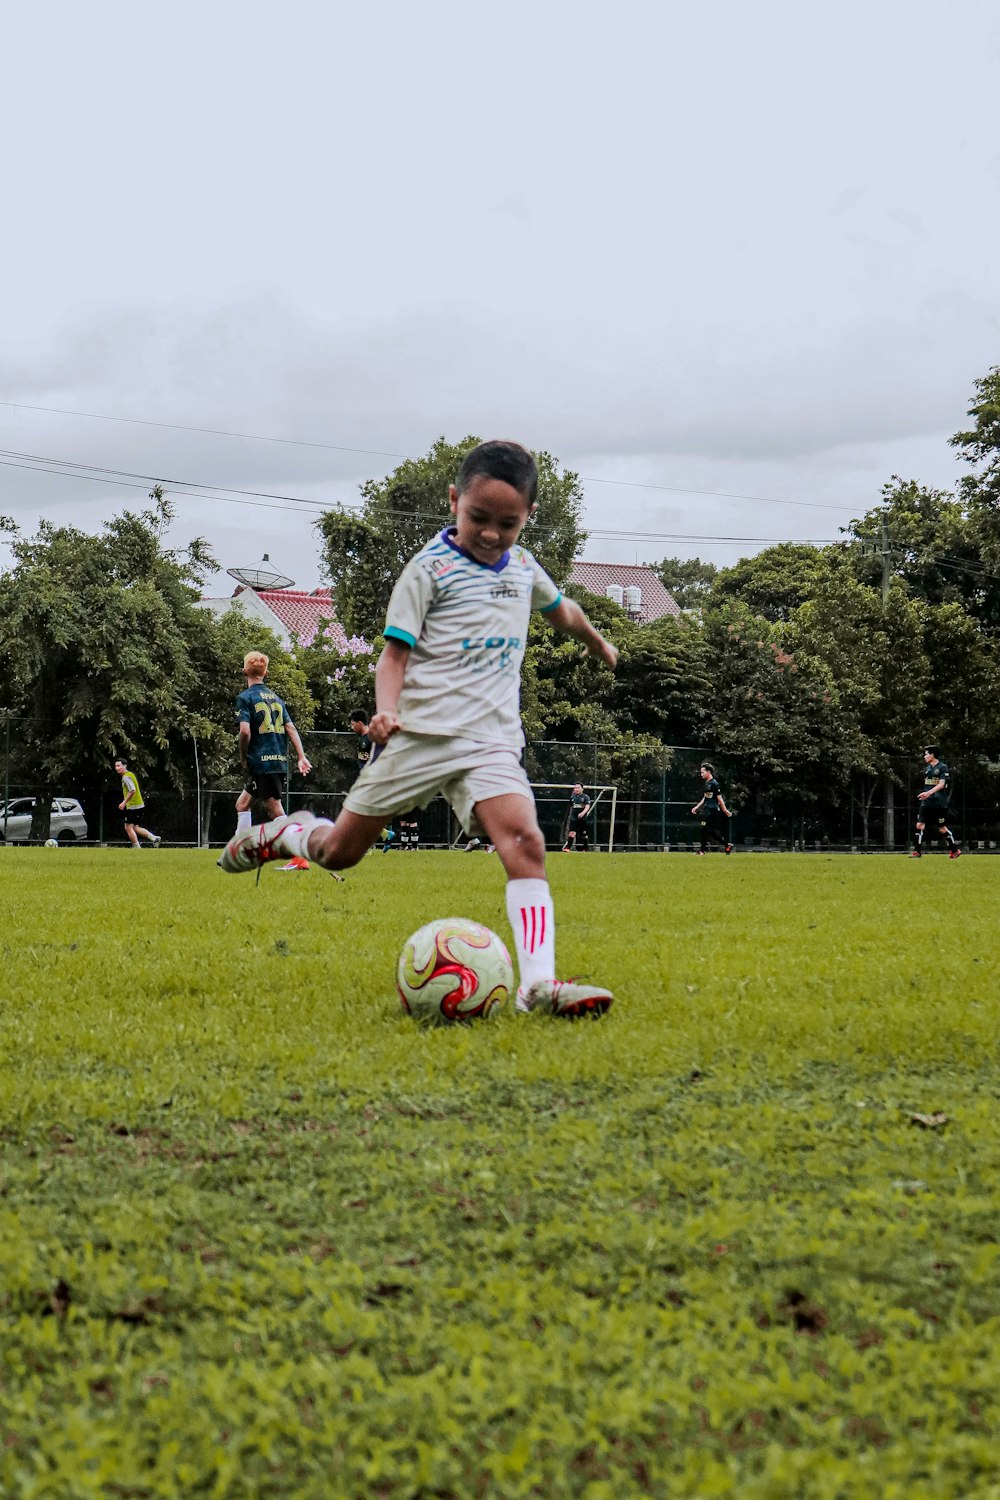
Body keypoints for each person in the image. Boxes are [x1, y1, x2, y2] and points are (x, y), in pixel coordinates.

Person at [219, 439, 618, 1016]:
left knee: (526, 842)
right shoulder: (427, 571)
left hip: (490, 742)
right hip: (417, 738)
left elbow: (563, 608)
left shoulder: (524, 566)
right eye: (477, 517)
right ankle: (286, 836)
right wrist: (386, 710)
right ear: (455, 501)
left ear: (527, 517)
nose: (490, 533)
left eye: (507, 523)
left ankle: (538, 987)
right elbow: (393, 657)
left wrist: (596, 640)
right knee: (339, 852)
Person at [232, 652, 313, 872]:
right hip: (277, 759)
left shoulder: (246, 698)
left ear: (244, 671)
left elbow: (245, 732)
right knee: (242, 804)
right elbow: (290, 728)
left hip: (261, 762)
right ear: (265, 673)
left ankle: (299, 857)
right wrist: (301, 756)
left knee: (275, 809)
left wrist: (243, 756)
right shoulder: (276, 698)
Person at [911, 745, 961, 859]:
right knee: (919, 825)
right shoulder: (928, 769)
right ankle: (917, 852)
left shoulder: (943, 767)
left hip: (939, 804)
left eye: (926, 754)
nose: (925, 756)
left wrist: (928, 793)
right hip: (927, 803)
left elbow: (942, 784)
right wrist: (926, 795)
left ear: (932, 755)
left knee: (942, 828)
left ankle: (955, 850)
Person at [115, 759, 161, 848]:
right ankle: (154, 838)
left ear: (125, 766)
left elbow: (132, 790)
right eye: (116, 766)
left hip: (133, 806)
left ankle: (136, 847)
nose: (117, 768)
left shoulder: (125, 777)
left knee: (128, 827)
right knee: (135, 827)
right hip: (139, 805)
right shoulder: (131, 774)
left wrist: (124, 802)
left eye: (119, 766)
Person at [691, 763, 733, 854]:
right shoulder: (707, 783)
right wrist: (697, 807)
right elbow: (705, 797)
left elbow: (719, 798)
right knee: (708, 830)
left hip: (712, 810)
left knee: (705, 829)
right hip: (707, 809)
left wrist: (725, 810)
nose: (701, 774)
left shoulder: (714, 784)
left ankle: (702, 851)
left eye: (703, 772)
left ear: (708, 772)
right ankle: (727, 845)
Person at [562, 783, 592, 852]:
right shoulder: (572, 797)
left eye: (578, 788)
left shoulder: (585, 797)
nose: (576, 789)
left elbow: (587, 806)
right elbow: (571, 806)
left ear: (582, 789)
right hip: (574, 818)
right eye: (575, 788)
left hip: (582, 819)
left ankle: (586, 848)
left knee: (583, 834)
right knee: (572, 832)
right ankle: (568, 848)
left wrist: (582, 813)